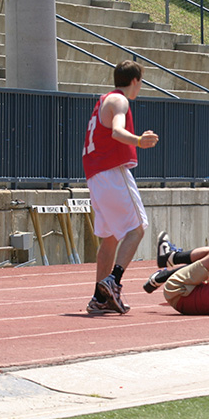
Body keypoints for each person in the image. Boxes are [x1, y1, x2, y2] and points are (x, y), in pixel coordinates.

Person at [82, 60, 159, 315]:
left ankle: (99, 298)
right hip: (112, 172)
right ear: (135, 81)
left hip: (95, 176)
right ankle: (113, 281)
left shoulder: (103, 100)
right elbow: (116, 131)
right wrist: (138, 140)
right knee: (137, 228)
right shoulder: (119, 101)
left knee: (110, 239)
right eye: (141, 83)